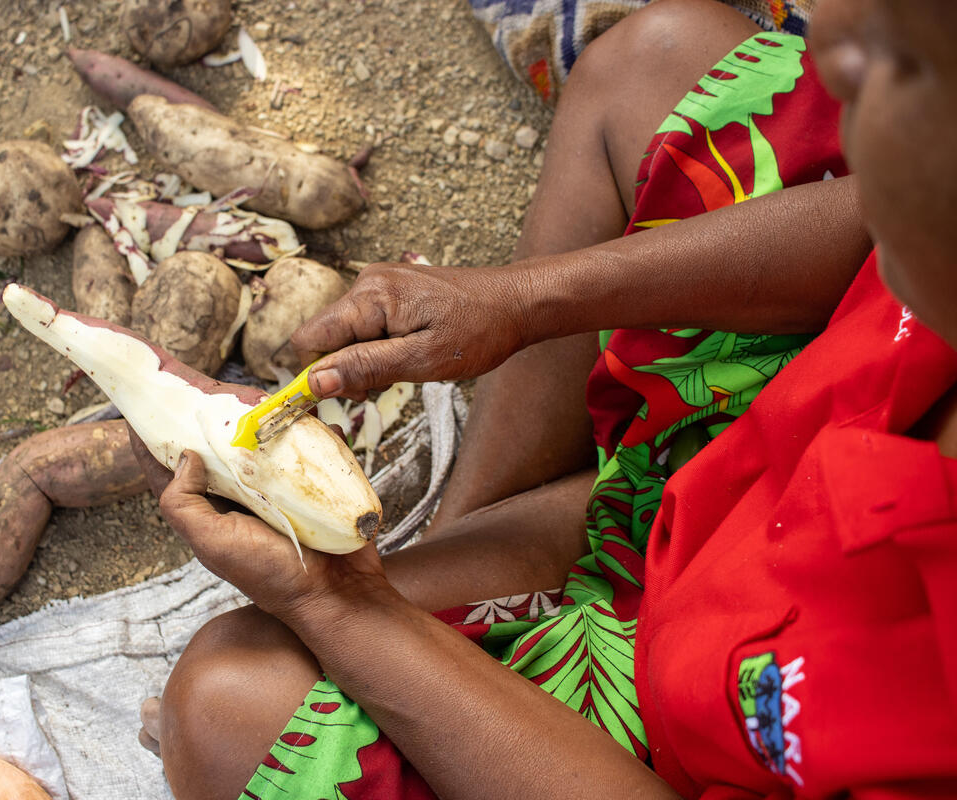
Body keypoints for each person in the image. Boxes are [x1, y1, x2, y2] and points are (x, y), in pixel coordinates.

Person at [132, 0, 957, 795]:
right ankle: (484, 533)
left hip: (699, 715)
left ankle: (484, 570)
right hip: (764, 447)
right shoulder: (925, 236)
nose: (831, 38)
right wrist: (521, 303)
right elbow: (866, 221)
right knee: (657, 56)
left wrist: (339, 607)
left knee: (225, 704)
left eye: (907, 69)